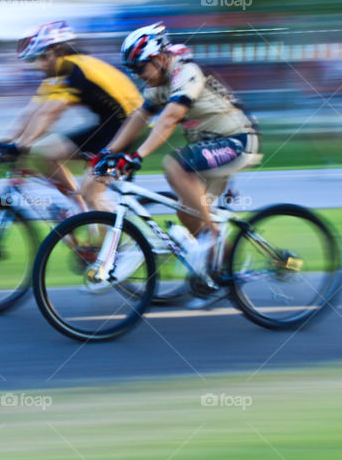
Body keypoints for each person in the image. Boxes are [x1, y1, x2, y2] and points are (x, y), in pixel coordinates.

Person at [95, 22, 262, 285]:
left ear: (160, 58)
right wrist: (107, 152)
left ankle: (213, 239)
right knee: (188, 213)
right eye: (132, 70)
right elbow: (139, 116)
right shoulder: (159, 84)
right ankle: (225, 273)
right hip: (211, 148)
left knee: (174, 164)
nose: (138, 75)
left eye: (140, 68)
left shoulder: (186, 72)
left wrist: (136, 157)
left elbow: (171, 117)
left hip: (237, 141)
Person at [0, 20, 144, 214]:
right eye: (33, 60)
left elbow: (49, 114)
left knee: (92, 193)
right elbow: (33, 111)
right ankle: (79, 211)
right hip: (108, 126)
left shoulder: (76, 70)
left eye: (41, 57)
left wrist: (20, 146)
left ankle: (110, 239)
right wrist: (6, 142)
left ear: (56, 50)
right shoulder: (60, 74)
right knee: (46, 153)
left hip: (128, 128)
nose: (37, 65)